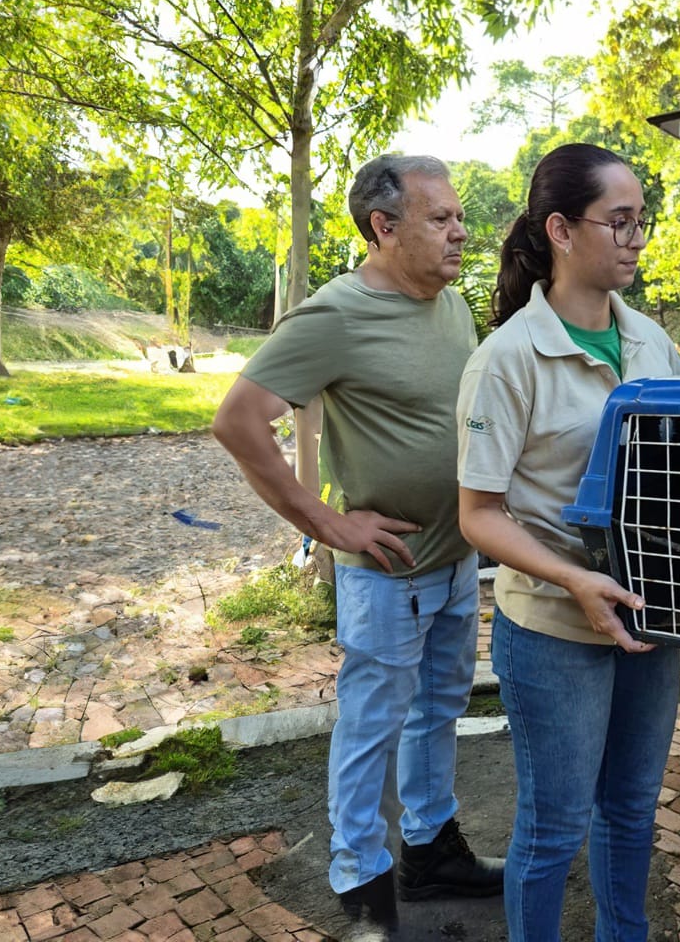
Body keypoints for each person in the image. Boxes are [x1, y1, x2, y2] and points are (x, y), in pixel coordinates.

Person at [212, 154, 504, 932]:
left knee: (437, 712)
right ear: (384, 226)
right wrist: (330, 525)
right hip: (388, 574)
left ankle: (430, 850)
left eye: (459, 216)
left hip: (453, 562)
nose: (460, 232)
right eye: (440, 218)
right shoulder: (335, 315)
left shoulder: (450, 305)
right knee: (371, 726)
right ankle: (361, 883)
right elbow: (238, 422)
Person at [456, 143, 680, 941]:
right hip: (555, 628)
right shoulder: (508, 358)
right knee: (553, 829)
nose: (635, 239)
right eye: (617, 222)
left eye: (640, 222)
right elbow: (479, 514)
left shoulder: (654, 344)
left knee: (629, 810)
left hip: (651, 618)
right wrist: (574, 580)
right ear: (560, 229)